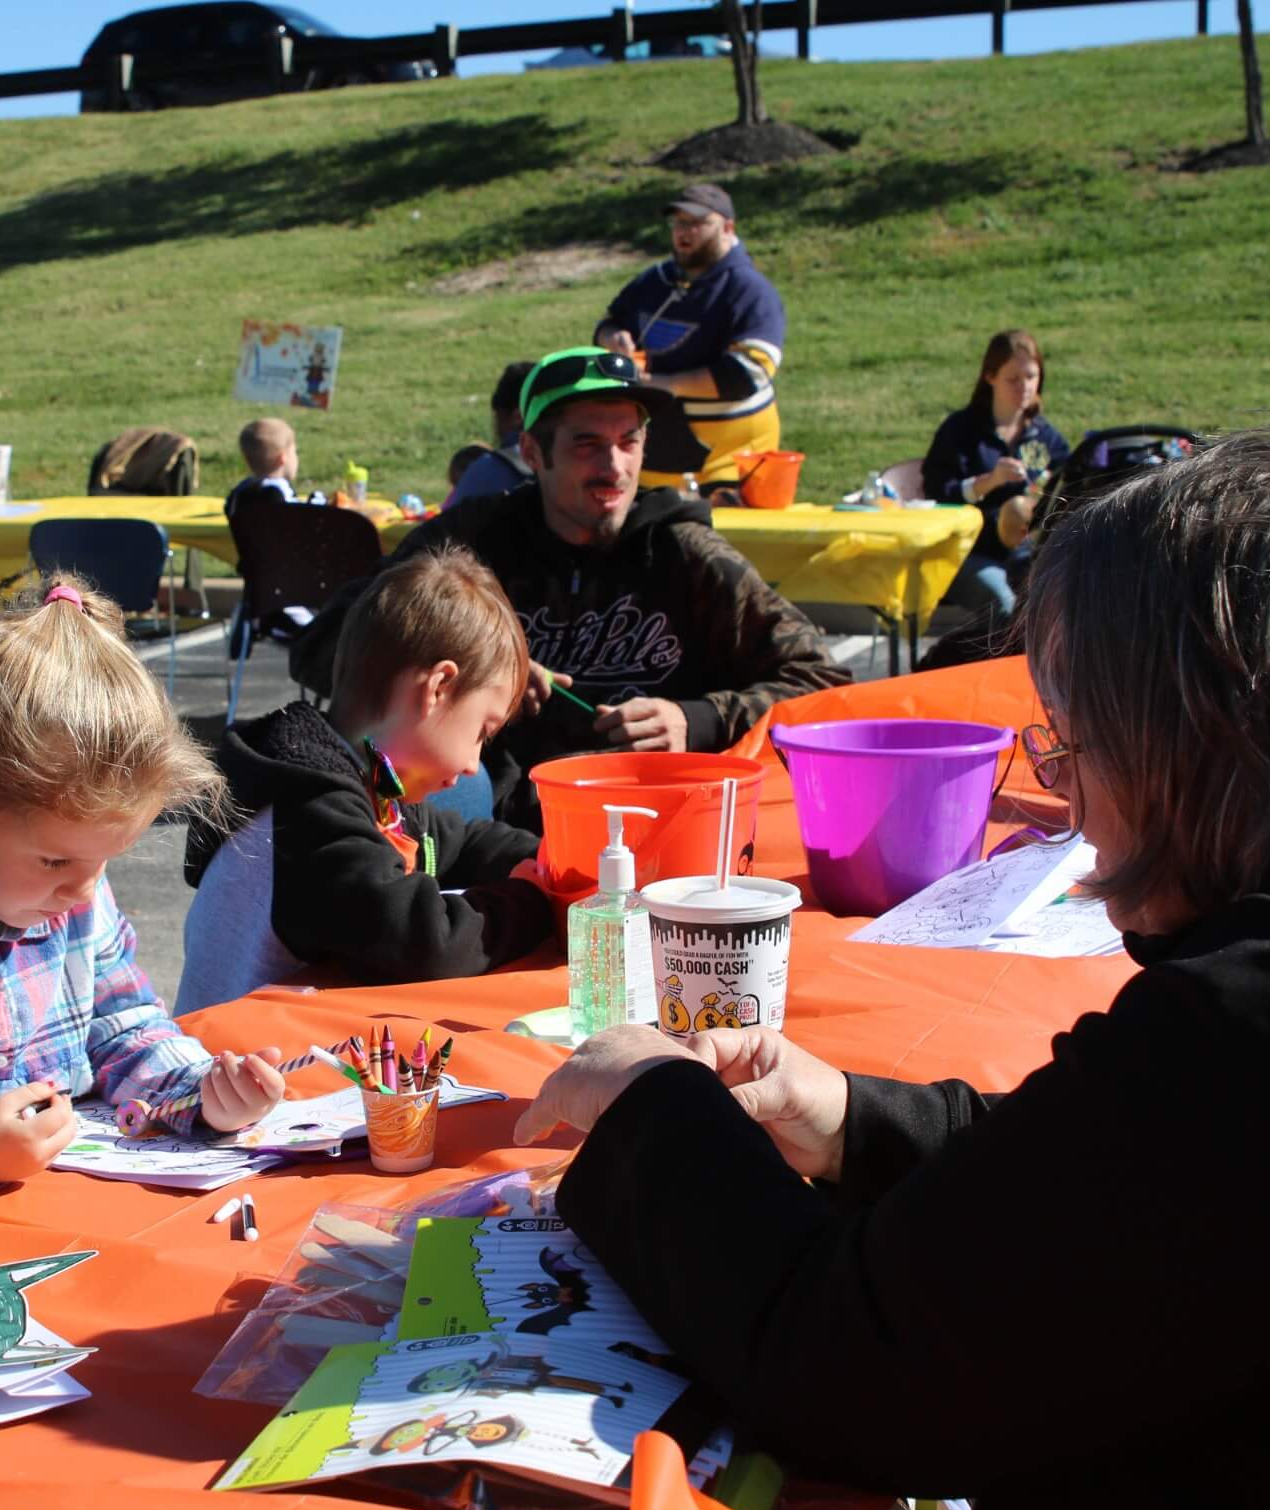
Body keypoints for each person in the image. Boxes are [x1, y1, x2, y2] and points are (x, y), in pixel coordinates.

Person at [516, 424, 1270, 1510]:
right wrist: (856, 1121)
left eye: (1073, 747)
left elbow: (856, 1369)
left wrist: (654, 1106)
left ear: (1188, 744)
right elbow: (1140, 1183)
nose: (1066, 801)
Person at [0, 579, 288, 1195]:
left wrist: (203, 1094)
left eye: (106, 860)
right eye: (55, 861)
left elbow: (124, 1027)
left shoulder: (74, 886)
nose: (83, 891)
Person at [295, 346, 848, 830]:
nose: (614, 467)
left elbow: (823, 684)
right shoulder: (471, 541)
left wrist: (697, 718)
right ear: (533, 452)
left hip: (661, 819)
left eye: (629, 442)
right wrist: (484, 670)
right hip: (492, 823)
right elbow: (324, 646)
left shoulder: (685, 552)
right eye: (587, 444)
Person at [176, 546, 553, 1013]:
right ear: (437, 688)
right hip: (236, 1053)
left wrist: (551, 858)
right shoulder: (309, 811)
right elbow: (420, 943)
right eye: (482, 732)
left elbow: (459, 841)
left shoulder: (371, 783)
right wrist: (530, 901)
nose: (476, 763)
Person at [593, 184, 785, 490]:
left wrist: (667, 385)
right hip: (654, 462)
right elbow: (608, 323)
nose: (684, 231)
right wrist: (613, 338)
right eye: (679, 222)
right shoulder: (656, 280)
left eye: (697, 223)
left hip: (729, 462)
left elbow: (748, 372)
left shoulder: (748, 290)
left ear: (728, 227)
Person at [921, 330, 1070, 622]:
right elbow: (937, 494)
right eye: (1013, 379)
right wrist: (989, 482)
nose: (1024, 387)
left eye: (1031, 377)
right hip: (967, 553)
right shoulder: (961, 431)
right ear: (990, 377)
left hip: (1028, 552)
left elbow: (1069, 490)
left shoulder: (1046, 438)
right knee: (1004, 604)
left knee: (1060, 594)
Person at [443, 359, 537, 509]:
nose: (496, 429)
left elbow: (450, 522)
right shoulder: (567, 462)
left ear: (517, 416)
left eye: (497, 418)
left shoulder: (486, 472)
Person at [224, 416, 305, 522]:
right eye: (295, 452)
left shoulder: (240, 490)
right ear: (282, 458)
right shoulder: (279, 491)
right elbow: (299, 517)